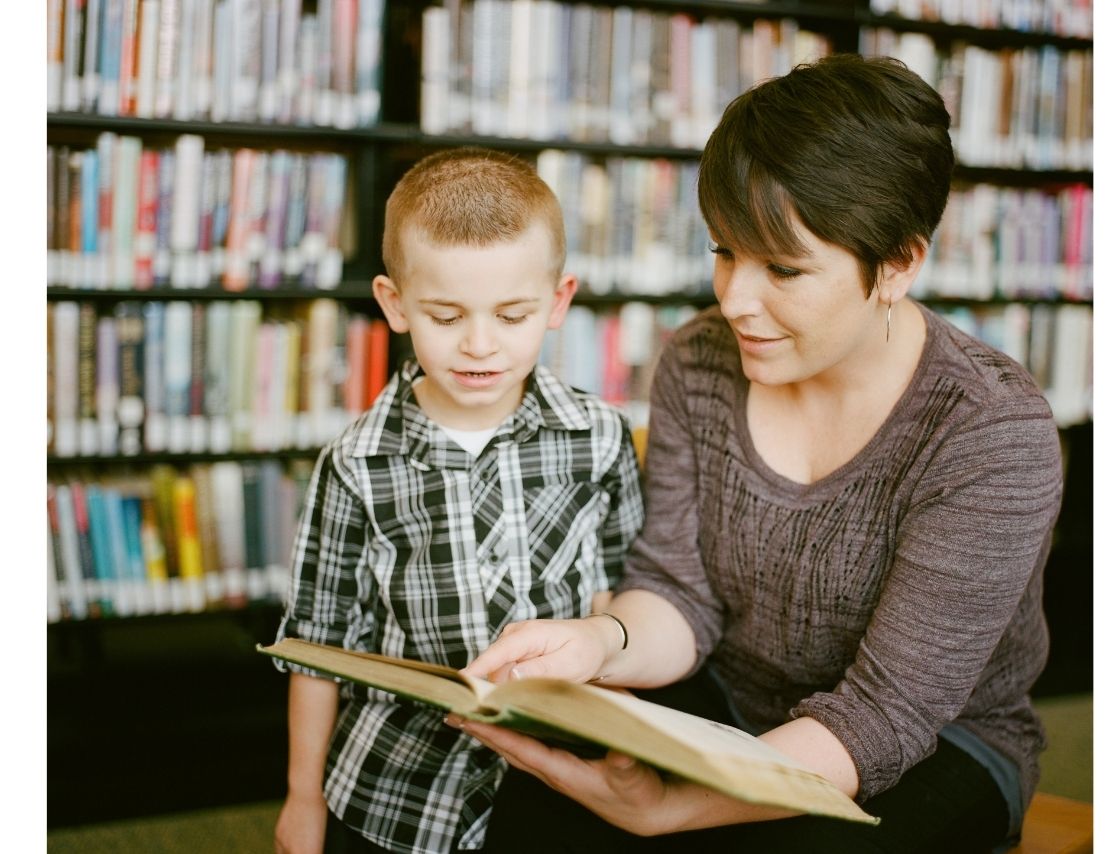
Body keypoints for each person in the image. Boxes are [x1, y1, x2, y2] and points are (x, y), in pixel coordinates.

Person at [456, 54, 1064, 854]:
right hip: (734, 701)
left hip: (939, 746)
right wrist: (597, 643)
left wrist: (672, 806)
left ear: (899, 265)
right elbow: (680, 594)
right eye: (724, 251)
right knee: (538, 807)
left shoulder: (989, 432)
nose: (736, 300)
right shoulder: (699, 362)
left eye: (783, 268)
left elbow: (884, 718)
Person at [272, 147, 645, 854]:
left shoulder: (597, 436)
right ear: (395, 305)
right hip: (399, 791)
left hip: (561, 780)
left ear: (559, 301)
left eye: (512, 315)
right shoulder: (356, 463)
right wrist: (301, 798)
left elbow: (625, 592)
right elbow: (314, 647)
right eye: (446, 316)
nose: (480, 346)